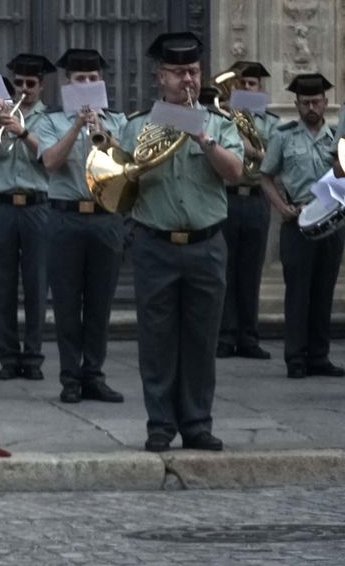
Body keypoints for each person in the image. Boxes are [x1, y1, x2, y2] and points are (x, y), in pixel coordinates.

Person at [124, 32, 244, 453]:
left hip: (205, 245)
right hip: (155, 244)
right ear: (160, 77)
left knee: (200, 339)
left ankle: (197, 422)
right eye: (178, 73)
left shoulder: (220, 124)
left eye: (193, 72)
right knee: (156, 339)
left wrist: (202, 138)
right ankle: (160, 423)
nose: (187, 80)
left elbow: (234, 173)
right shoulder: (138, 126)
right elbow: (116, 180)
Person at [34, 49, 126, 403]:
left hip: (105, 218)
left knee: (100, 302)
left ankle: (94, 375)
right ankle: (70, 377)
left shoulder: (116, 121)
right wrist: (76, 126)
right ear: (66, 83)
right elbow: (50, 162)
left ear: (100, 82)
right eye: (79, 80)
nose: (86, 85)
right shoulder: (50, 122)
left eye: (92, 79)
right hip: (64, 217)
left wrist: (102, 131)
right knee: (68, 302)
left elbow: (125, 166)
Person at [259, 74, 343, 379]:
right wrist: (282, 208)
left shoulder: (337, 137)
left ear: (324, 103)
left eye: (317, 102)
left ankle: (319, 356)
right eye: (305, 102)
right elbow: (265, 176)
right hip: (297, 221)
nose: (311, 107)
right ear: (296, 105)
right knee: (297, 292)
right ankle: (296, 357)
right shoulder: (284, 136)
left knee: (324, 291)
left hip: (332, 223)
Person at [0, 53, 54, 381]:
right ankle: (8, 356)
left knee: (36, 283)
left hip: (37, 206)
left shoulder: (50, 120)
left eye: (31, 84)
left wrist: (22, 132)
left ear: (41, 87)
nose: (25, 89)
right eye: (20, 84)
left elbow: (50, 158)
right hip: (1, 206)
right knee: (2, 283)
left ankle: (34, 356)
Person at [216, 60, 278, 360]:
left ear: (260, 89)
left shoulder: (272, 122)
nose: (245, 89)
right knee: (225, 270)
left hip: (256, 198)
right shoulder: (222, 117)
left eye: (251, 85)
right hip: (227, 197)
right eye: (240, 85)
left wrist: (251, 148)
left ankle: (249, 336)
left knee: (251, 272)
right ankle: (225, 335)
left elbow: (274, 162)